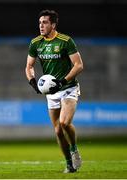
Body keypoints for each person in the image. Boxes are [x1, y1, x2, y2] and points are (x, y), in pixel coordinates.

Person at [25, 9, 83, 173]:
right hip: (51, 92)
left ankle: (74, 149)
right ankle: (69, 165)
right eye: (40, 23)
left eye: (45, 23)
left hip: (68, 88)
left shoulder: (65, 41)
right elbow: (29, 66)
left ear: (53, 24)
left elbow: (79, 65)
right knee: (58, 131)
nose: (41, 26)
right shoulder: (36, 43)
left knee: (65, 123)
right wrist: (32, 81)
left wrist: (63, 81)